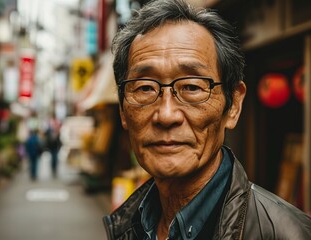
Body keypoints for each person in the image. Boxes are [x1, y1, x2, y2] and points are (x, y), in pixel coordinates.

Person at [103, 0, 311, 239]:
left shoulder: (292, 234)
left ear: (232, 105)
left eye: (191, 87)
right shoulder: (127, 225)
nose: (166, 115)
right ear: (123, 111)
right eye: (145, 88)